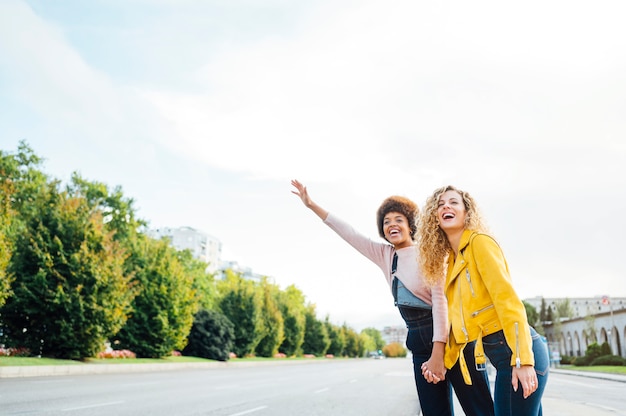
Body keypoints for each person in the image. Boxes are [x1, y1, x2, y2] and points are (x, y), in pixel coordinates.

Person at [290, 179, 492, 416]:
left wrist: (438, 353)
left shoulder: (430, 252)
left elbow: (441, 304)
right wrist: (312, 205)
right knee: (434, 411)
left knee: (479, 410)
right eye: (387, 222)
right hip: (419, 343)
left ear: (410, 225)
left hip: (452, 338)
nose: (392, 225)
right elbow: (349, 233)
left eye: (398, 220)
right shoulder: (386, 255)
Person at [417, 185, 549, 416]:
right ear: (435, 218)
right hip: (505, 358)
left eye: (453, 202)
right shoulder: (452, 263)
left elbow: (508, 301)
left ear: (467, 213)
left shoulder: (480, 242)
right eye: (440, 204)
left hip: (516, 355)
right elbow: (459, 330)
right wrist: (441, 364)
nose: (446, 206)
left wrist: (523, 360)